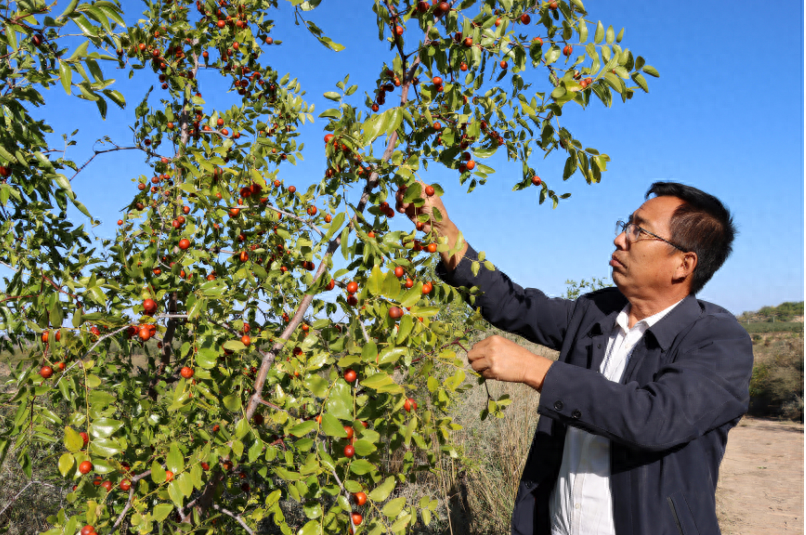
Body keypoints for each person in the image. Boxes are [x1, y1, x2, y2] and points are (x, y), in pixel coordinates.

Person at [395, 182, 753, 535]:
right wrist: (444, 231)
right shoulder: (596, 313)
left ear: (683, 264)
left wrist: (536, 370)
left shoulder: (718, 341)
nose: (620, 239)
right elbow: (510, 304)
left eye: (640, 232)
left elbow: (654, 419)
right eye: (625, 225)